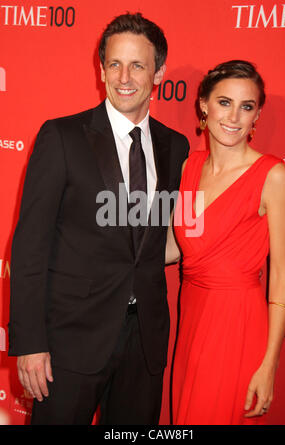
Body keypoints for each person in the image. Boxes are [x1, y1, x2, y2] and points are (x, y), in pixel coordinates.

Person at [8, 12, 189, 425]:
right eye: (114, 63)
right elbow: (29, 247)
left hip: (144, 343)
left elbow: (161, 237)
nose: (124, 77)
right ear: (101, 68)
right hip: (69, 343)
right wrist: (30, 343)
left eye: (138, 65)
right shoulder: (62, 137)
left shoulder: (174, 146)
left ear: (158, 72)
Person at [166, 60, 285, 425]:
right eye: (225, 102)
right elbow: (179, 247)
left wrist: (270, 362)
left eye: (247, 106)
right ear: (203, 105)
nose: (234, 116)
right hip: (192, 320)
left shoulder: (272, 175)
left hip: (238, 325)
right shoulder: (187, 168)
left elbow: (282, 274)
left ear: (257, 116)